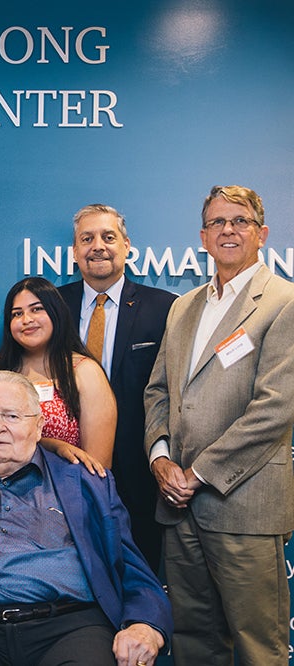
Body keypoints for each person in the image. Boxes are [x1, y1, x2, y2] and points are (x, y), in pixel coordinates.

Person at [0, 371, 171, 666]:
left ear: (38, 427)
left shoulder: (86, 483)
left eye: (11, 416)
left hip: (69, 627)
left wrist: (144, 625)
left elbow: (133, 570)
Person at [144, 185, 294, 665]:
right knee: (193, 641)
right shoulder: (183, 306)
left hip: (243, 505)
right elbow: (158, 392)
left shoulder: (283, 302)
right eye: (217, 223)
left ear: (262, 234)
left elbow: (274, 408)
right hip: (179, 506)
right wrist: (161, 457)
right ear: (203, 238)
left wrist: (198, 473)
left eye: (240, 221)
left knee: (258, 645)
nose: (228, 230)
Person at [58, 204, 176, 571]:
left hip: (140, 472)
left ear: (127, 246)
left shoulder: (165, 308)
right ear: (74, 252)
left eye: (108, 237)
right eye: (87, 239)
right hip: (65, 468)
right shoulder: (52, 306)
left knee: (141, 573)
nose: (98, 246)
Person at [0, 277, 115, 470]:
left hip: (63, 492)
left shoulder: (85, 371)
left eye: (37, 309)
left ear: (56, 313)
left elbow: (97, 466)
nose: (27, 320)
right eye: (17, 314)